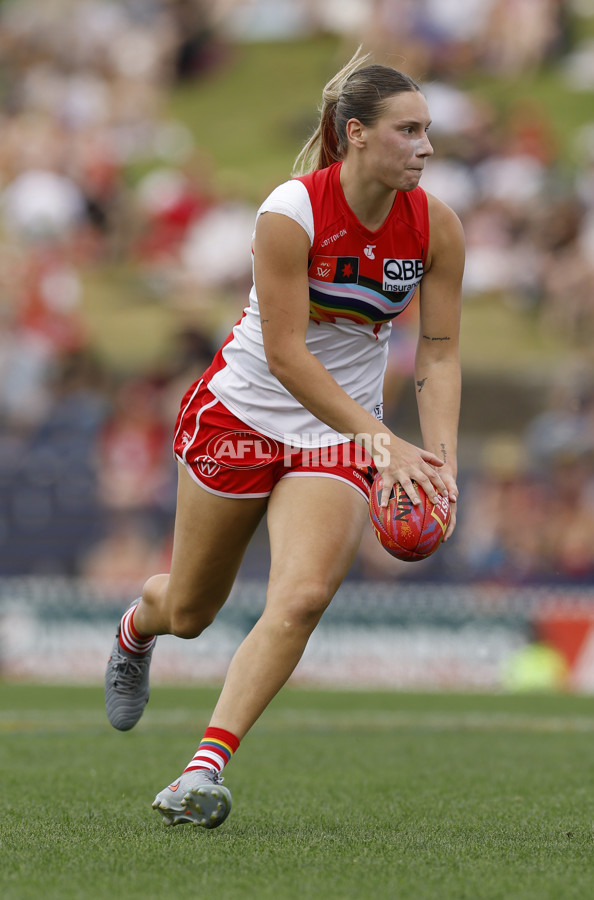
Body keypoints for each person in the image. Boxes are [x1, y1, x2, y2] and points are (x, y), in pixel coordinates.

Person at [104, 47, 464, 829]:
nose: (427, 147)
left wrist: (439, 458)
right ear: (357, 134)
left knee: (300, 597)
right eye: (409, 131)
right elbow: (287, 355)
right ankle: (137, 630)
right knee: (192, 608)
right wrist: (385, 441)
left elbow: (437, 349)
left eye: (429, 130)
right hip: (246, 415)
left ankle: (201, 773)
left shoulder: (436, 224)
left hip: (341, 436)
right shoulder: (290, 212)